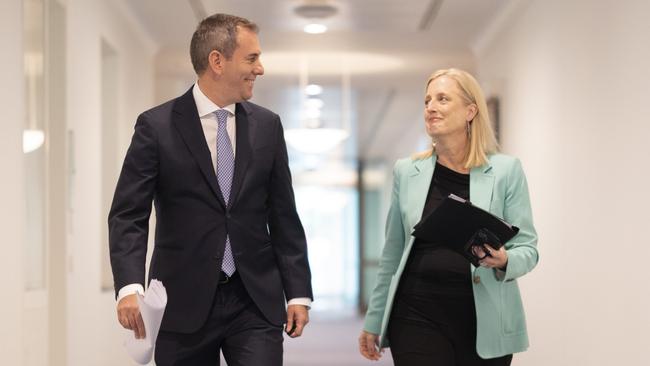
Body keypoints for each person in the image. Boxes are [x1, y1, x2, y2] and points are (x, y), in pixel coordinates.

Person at [108, 13, 313, 366]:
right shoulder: (156, 127)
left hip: (254, 299)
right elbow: (129, 215)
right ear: (217, 61)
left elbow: (283, 214)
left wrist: (298, 292)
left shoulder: (267, 126)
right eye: (251, 58)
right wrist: (129, 286)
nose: (260, 68)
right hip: (181, 301)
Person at [358, 68, 538, 366]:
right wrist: (374, 319)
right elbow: (392, 254)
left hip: (485, 318)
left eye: (442, 99)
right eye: (427, 100)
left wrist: (505, 259)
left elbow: (529, 248)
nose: (430, 107)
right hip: (416, 311)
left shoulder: (506, 170)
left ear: (470, 111)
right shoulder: (408, 171)